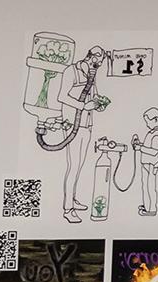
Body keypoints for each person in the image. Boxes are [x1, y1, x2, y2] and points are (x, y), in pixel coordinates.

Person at [57, 45, 107, 223]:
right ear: (92, 56)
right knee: (73, 165)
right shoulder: (72, 71)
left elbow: (94, 95)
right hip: (72, 123)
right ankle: (67, 208)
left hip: (86, 124)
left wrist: (99, 103)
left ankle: (73, 198)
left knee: (79, 165)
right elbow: (62, 96)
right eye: (99, 59)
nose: (100, 63)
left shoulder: (92, 74)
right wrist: (83, 106)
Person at [133, 107, 158, 216]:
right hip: (146, 163)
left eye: (148, 122)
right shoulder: (152, 132)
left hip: (151, 164)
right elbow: (148, 147)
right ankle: (147, 205)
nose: (147, 125)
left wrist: (140, 148)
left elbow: (154, 151)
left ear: (155, 120)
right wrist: (140, 144)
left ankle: (151, 209)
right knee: (145, 185)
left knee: (150, 186)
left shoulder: (157, 134)